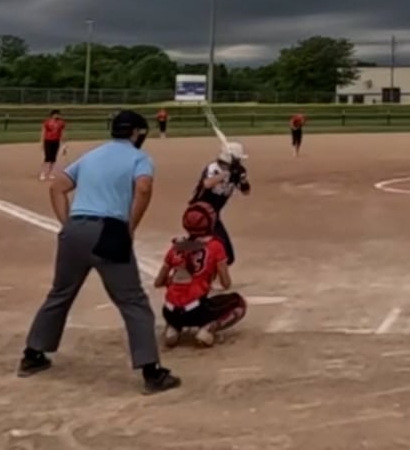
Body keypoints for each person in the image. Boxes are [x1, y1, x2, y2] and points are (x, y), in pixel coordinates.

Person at [19, 110, 179, 394]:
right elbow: (143, 188)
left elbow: (58, 188)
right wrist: (130, 227)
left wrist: (68, 225)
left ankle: (32, 355)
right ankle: (152, 372)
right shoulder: (139, 158)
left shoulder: (92, 155)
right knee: (133, 301)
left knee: (60, 293)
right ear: (136, 133)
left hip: (75, 230)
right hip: (109, 231)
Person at [155, 202, 248, 348]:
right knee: (238, 302)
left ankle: (173, 329)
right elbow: (226, 283)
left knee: (176, 304)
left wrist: (174, 281)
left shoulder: (177, 246)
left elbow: (158, 283)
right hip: (196, 311)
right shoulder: (216, 246)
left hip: (169, 311)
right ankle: (207, 329)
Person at [190, 142, 250, 267]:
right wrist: (226, 174)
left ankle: (202, 270)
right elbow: (207, 184)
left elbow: (246, 192)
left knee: (228, 257)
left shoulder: (237, 171)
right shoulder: (213, 168)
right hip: (199, 214)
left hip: (214, 216)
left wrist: (242, 179)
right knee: (216, 252)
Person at [39, 110, 67, 181]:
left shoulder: (61, 123)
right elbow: (43, 132)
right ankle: (43, 173)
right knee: (47, 157)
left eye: (58, 114)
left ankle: (50, 173)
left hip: (56, 141)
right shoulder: (47, 122)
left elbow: (62, 133)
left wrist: (64, 144)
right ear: (52, 115)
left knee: (53, 158)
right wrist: (41, 142)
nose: (57, 116)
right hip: (48, 141)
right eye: (56, 114)